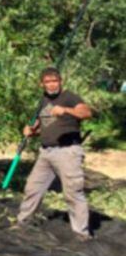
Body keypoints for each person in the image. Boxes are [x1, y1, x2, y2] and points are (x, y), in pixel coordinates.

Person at [16, 67, 93, 239]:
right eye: (47, 82)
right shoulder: (43, 101)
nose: (52, 85)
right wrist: (31, 131)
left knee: (72, 193)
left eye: (54, 81)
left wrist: (66, 110)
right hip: (46, 153)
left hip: (67, 152)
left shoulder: (69, 97)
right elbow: (44, 126)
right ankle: (23, 222)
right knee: (32, 188)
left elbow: (87, 113)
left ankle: (81, 233)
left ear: (61, 81)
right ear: (41, 84)